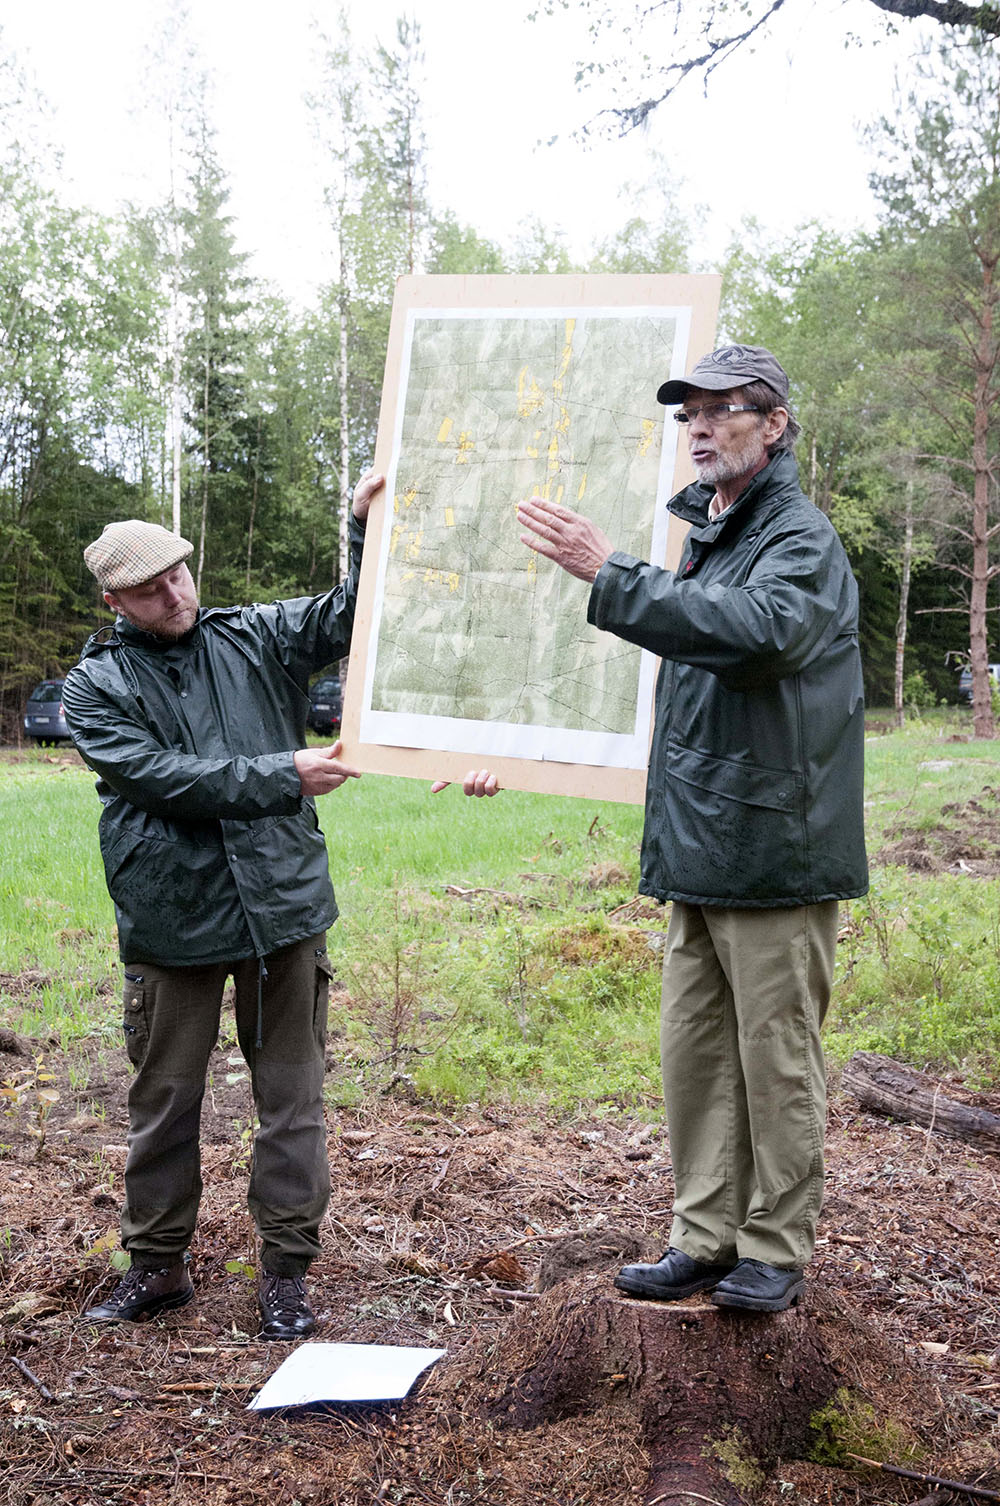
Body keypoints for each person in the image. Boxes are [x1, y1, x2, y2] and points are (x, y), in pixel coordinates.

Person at [517, 344, 867, 1312]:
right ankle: (704, 1235)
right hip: (700, 841)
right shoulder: (714, 530)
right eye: (689, 414)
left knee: (775, 1057)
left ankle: (774, 1247)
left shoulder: (797, 536)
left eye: (724, 409)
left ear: (775, 423)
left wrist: (606, 569)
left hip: (776, 846)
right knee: (698, 1055)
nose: (701, 427)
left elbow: (756, 636)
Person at [64, 473, 386, 1340]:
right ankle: (158, 1265)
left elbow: (355, 611)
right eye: (148, 588)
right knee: (166, 1098)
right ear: (114, 599)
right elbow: (161, 779)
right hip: (173, 917)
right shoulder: (93, 687)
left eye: (179, 574)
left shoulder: (256, 636)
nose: (173, 595)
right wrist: (285, 772)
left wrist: (361, 524)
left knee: (292, 1097)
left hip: (285, 907)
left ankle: (286, 1273)